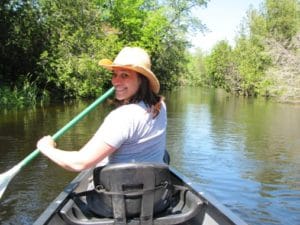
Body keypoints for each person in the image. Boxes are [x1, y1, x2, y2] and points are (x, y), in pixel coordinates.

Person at [37, 47, 167, 172]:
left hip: (119, 191)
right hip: (153, 189)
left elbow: (79, 163)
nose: (116, 81)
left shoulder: (122, 117)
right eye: (114, 74)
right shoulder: (160, 106)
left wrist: (47, 148)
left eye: (125, 75)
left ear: (141, 80)